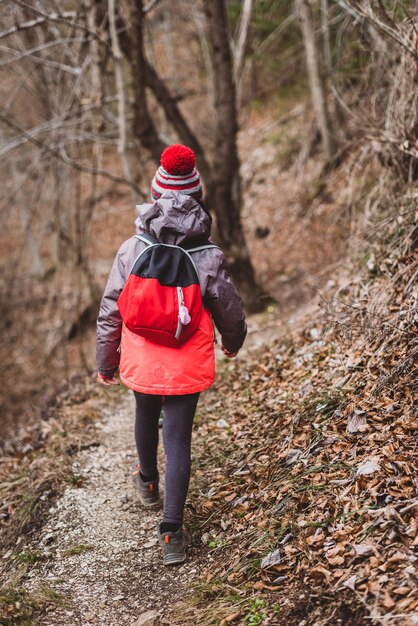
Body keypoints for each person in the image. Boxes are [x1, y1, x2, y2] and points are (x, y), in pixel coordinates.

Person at [96, 144, 247, 565]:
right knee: (178, 438)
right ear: (198, 196)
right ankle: (171, 533)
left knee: (145, 415)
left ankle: (147, 482)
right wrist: (233, 342)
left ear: (156, 195)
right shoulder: (208, 254)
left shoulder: (132, 248)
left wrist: (106, 361)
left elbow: (111, 307)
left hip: (142, 355)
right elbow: (228, 307)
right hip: (186, 358)